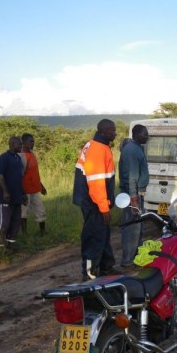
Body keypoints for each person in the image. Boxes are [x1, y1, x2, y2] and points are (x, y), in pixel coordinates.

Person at [73, 119, 118, 281]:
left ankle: (106, 266)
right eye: (113, 130)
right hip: (94, 202)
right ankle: (89, 274)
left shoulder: (98, 145)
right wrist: (104, 207)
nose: (115, 133)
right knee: (94, 237)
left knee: (103, 234)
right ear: (105, 131)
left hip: (95, 200)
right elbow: (96, 182)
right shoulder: (98, 149)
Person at [118, 124, 150, 269]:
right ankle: (128, 261)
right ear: (136, 134)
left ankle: (136, 258)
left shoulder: (136, 148)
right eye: (144, 134)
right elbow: (131, 177)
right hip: (132, 195)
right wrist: (134, 200)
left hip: (136, 194)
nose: (147, 136)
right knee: (131, 229)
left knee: (138, 227)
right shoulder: (131, 150)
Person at [0, 136, 26, 249]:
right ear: (11, 144)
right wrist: (5, 192)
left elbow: (20, 178)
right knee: (4, 223)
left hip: (17, 196)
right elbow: (0, 176)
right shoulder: (3, 158)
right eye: (19, 144)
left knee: (15, 222)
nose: (21, 146)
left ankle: (11, 245)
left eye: (21, 144)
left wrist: (23, 193)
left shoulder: (18, 158)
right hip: (7, 197)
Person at [20, 133, 47, 236]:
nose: (33, 143)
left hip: (35, 189)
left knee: (41, 210)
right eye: (31, 141)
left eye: (33, 141)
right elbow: (20, 176)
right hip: (25, 190)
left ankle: (43, 232)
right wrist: (22, 193)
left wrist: (41, 186)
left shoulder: (32, 153)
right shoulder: (21, 156)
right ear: (24, 142)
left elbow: (34, 173)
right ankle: (24, 234)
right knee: (24, 213)